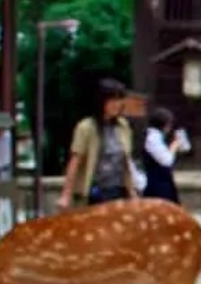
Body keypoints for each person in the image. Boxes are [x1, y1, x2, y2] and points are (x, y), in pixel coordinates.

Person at [58, 78, 138, 209]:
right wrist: (66, 194)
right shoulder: (86, 127)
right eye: (112, 100)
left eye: (119, 100)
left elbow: (126, 161)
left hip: (118, 189)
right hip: (96, 191)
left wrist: (132, 191)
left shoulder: (123, 126)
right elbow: (75, 161)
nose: (116, 104)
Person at [142, 106, 188, 204]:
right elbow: (166, 160)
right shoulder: (153, 138)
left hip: (163, 182)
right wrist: (174, 145)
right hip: (157, 185)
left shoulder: (158, 137)